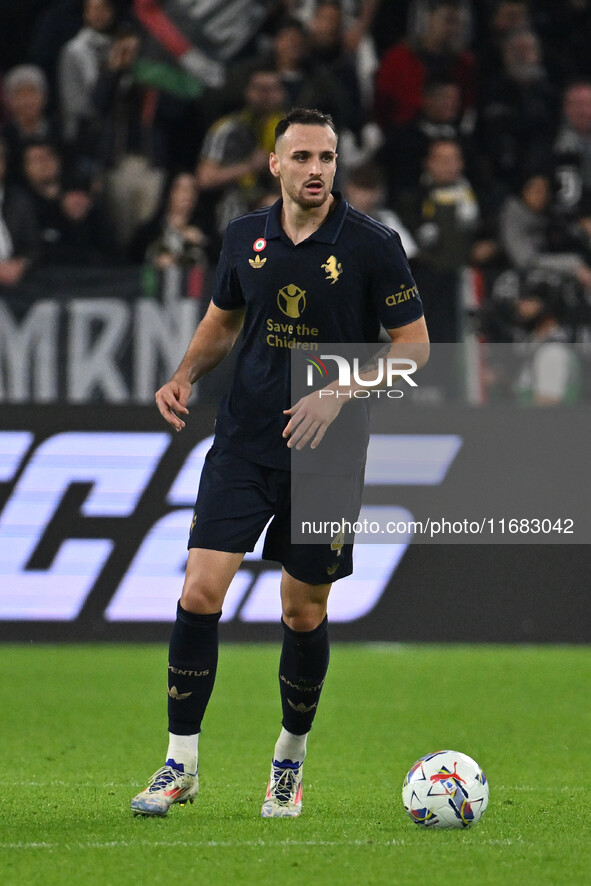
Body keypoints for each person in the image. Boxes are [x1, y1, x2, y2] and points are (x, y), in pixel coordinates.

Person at [130, 107, 429, 819]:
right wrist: (184, 374)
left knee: (301, 611)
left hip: (328, 453)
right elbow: (223, 321)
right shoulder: (243, 237)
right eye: (301, 157)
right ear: (275, 165)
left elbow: (413, 348)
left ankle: (288, 763)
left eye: (326, 157)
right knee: (201, 591)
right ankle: (180, 762)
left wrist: (337, 390)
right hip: (243, 440)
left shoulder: (371, 245)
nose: (316, 169)